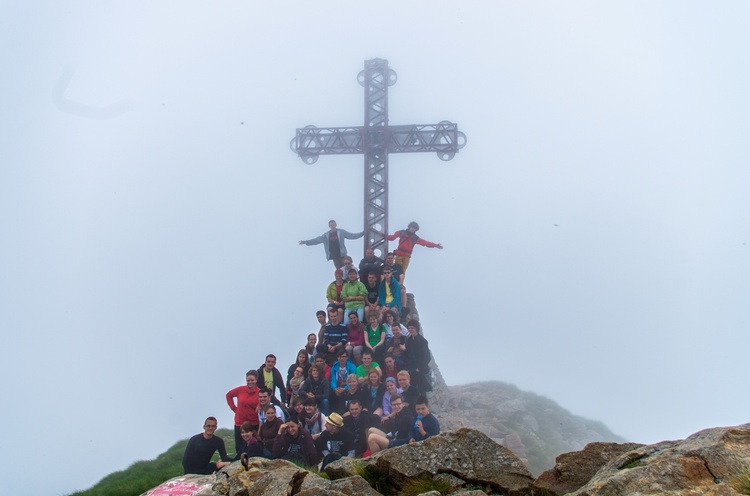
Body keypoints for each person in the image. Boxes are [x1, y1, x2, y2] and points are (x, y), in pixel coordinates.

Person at [299, 220, 364, 269]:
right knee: (339, 271)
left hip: (342, 255)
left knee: (348, 266)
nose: (332, 226)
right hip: (334, 256)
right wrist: (306, 242)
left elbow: (351, 235)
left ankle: (355, 276)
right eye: (331, 225)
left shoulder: (341, 232)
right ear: (329, 226)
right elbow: (316, 240)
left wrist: (362, 233)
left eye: (333, 225)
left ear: (336, 225)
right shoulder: (326, 235)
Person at [226, 370, 260, 453]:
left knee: (253, 446)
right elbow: (228, 395)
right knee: (239, 447)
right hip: (240, 422)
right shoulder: (241, 389)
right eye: (248, 380)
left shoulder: (259, 392)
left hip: (253, 423)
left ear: (256, 380)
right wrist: (234, 409)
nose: (250, 382)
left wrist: (260, 405)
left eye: (252, 380)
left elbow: (265, 400)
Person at [402, 320, 433, 393]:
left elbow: (427, 357)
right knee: (413, 391)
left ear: (416, 328)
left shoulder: (422, 341)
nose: (410, 330)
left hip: (420, 371)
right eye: (409, 328)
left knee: (421, 392)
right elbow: (409, 355)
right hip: (412, 370)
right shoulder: (409, 340)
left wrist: (419, 368)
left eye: (412, 328)